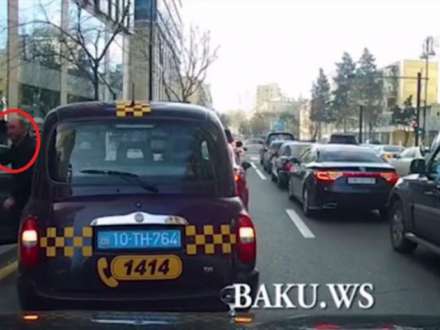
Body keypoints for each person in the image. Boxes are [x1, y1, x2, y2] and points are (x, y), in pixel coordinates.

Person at [0, 116, 36, 214]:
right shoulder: (18, 145)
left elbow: (27, 177)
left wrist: (14, 198)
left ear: (23, 128)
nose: (9, 132)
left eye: (13, 128)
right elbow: (5, 158)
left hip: (27, 199)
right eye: (8, 128)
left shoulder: (30, 148)